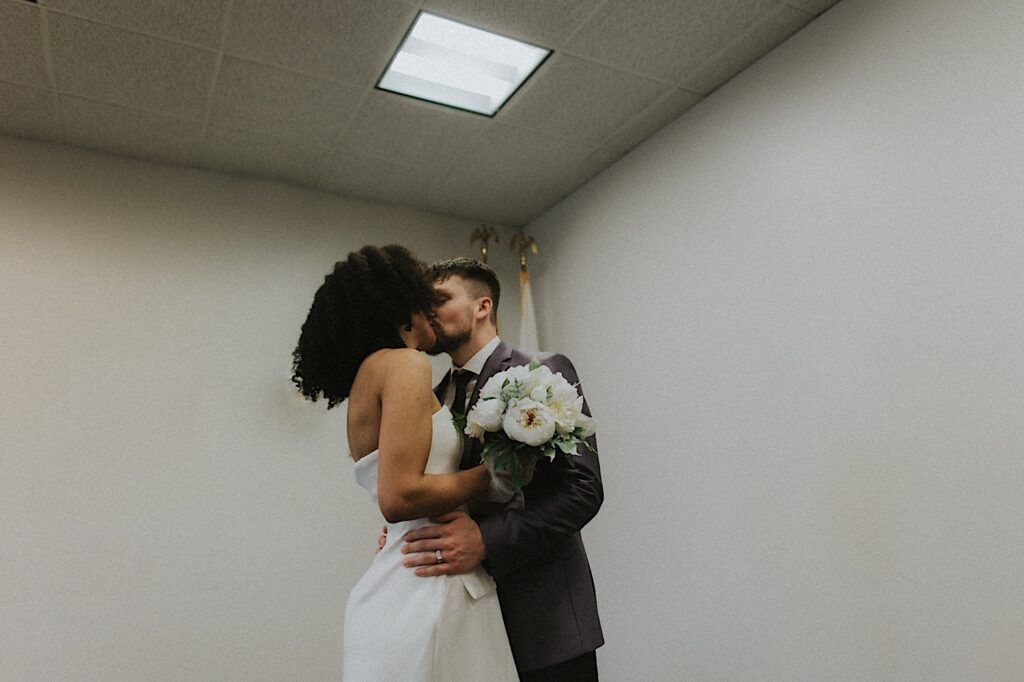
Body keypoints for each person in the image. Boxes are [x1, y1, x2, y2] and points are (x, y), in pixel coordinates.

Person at [291, 245, 518, 681]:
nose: (433, 314)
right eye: (425, 300)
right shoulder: (405, 364)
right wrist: (492, 476)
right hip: (430, 586)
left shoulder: (368, 377)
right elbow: (400, 496)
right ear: (401, 307)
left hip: (398, 577)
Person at [400, 257, 605, 681]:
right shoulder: (430, 399)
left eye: (440, 299)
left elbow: (583, 490)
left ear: (482, 306)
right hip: (467, 620)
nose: (428, 312)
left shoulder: (541, 371)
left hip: (546, 619)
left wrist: (487, 540)